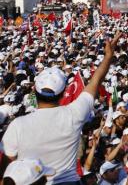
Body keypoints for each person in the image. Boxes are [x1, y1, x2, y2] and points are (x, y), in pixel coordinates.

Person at [1, 32, 121, 184]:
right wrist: (108, 56)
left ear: (35, 91)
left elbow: (7, 167)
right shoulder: (74, 113)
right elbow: (95, 82)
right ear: (63, 93)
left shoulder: (17, 125)